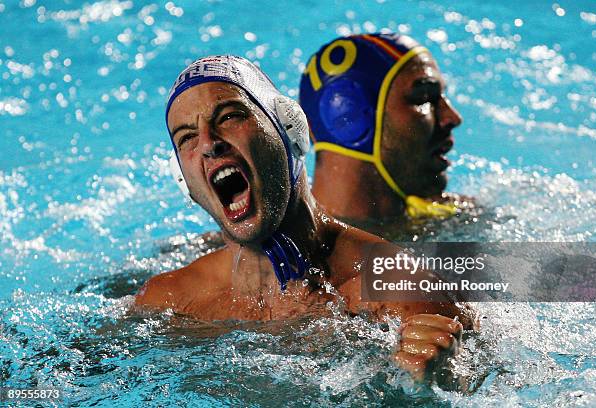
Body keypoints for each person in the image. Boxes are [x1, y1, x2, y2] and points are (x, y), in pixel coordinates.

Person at [135, 55, 476, 382]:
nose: (209, 143)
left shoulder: (400, 288)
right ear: (184, 181)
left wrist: (432, 384)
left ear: (289, 130)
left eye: (229, 117)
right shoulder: (169, 301)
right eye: (187, 137)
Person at [299, 33, 475, 239]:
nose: (453, 117)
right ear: (350, 118)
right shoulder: (286, 257)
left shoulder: (454, 217)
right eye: (424, 97)